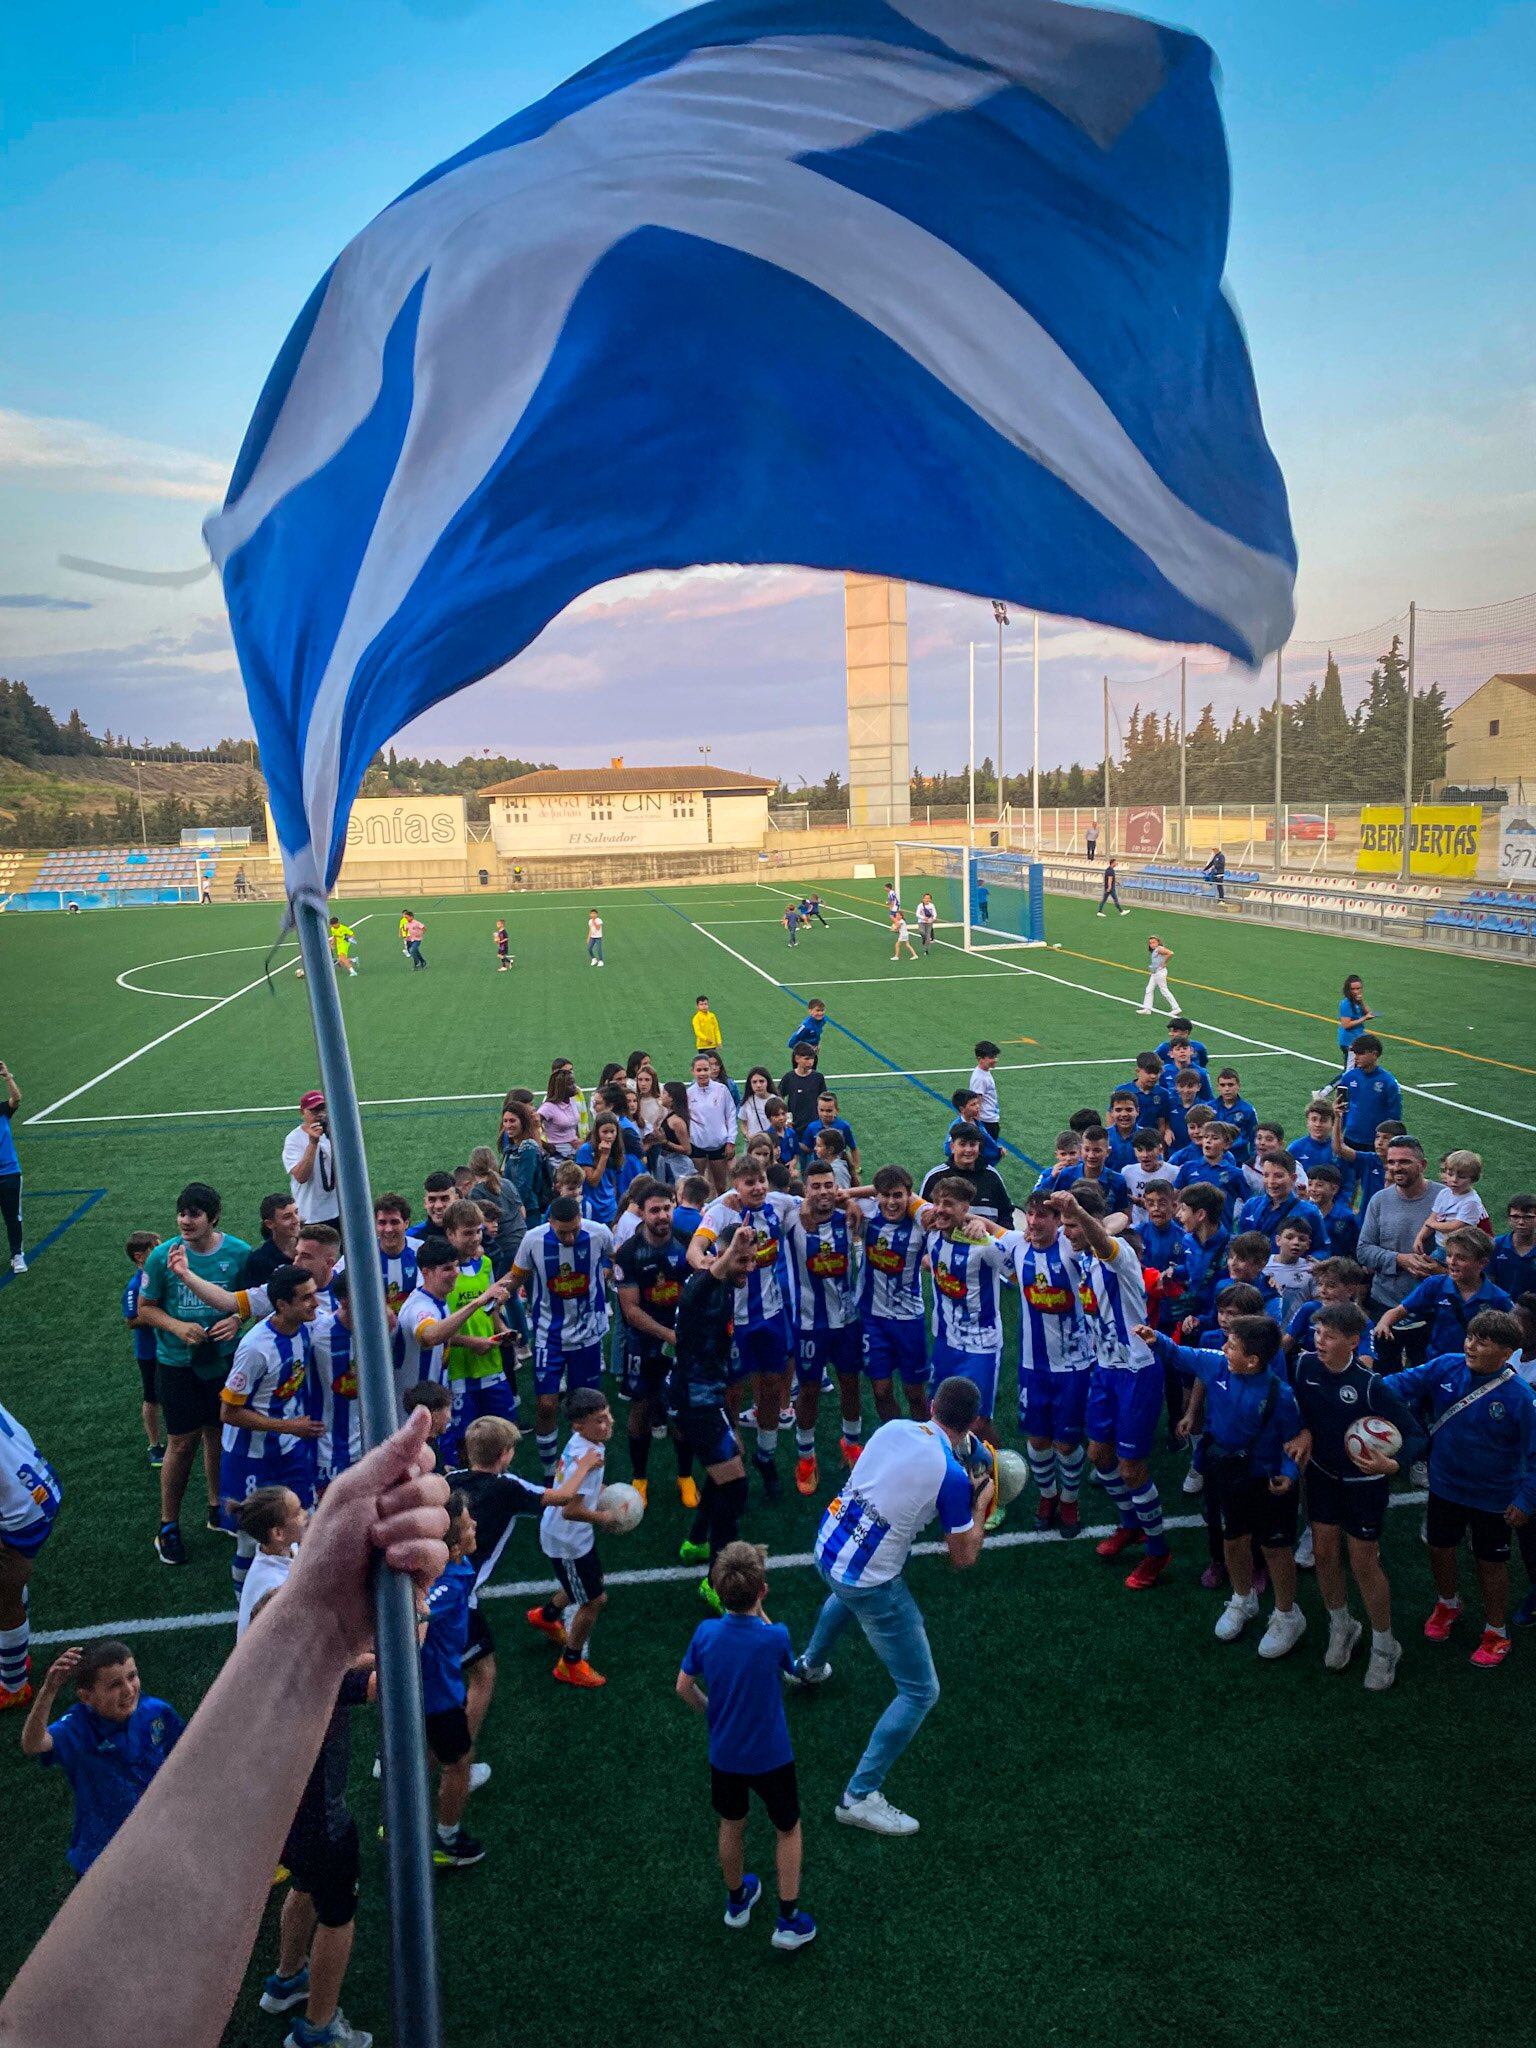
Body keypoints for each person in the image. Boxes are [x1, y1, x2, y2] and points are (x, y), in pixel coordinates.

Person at [0, 1407, 449, 2048]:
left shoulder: (163, 1708)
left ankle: (286, 1978)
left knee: (294, 1892)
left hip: (265, 1816)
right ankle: (318, 2025)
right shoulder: (82, 1727)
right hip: (305, 1813)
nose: (129, 1690)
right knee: (335, 1909)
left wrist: (322, 1619)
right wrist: (399, 1630)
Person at [785, 1375, 992, 1837]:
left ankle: (807, 1666)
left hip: (828, 1547)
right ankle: (859, 1797)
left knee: (844, 1592)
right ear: (974, 1421)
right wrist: (980, 1508)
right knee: (921, 1691)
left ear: (933, 1403)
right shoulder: (954, 1478)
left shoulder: (894, 1427)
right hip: (869, 1580)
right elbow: (962, 1559)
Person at [676, 1542, 816, 1950]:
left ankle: (737, 1902)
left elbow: (684, 1686)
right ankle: (788, 1920)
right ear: (763, 1591)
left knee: (731, 1825)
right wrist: (761, 1610)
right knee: (788, 1829)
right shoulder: (776, 1636)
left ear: (717, 1591)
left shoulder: (706, 1633)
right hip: (772, 1757)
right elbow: (791, 1666)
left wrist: (710, 1711)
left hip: (726, 1755)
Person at [1382, 1310, 1536, 1668]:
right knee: (1440, 1548)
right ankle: (1447, 1603)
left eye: (1483, 1341)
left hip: (1494, 1497)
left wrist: (1527, 1499)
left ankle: (1496, 1629)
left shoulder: (1520, 1397)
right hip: (1445, 1486)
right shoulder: (1447, 1366)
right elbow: (1397, 1384)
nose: (1471, 1345)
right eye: (1470, 1337)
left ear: (1507, 1351)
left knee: (1491, 1562)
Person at [1145, 1314, 1305, 1656]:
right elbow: (1176, 1353)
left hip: (1266, 1480)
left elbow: (1293, 1442)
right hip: (1228, 1475)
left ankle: (1287, 1614)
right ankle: (1242, 1599)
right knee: (1233, 1540)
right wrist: (1152, 1336)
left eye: (1231, 1346)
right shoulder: (1216, 1366)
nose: (1223, 1348)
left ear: (1252, 1360)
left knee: (1276, 1549)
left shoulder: (1281, 1395)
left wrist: (1289, 1474)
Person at [1286, 1302, 1424, 1690]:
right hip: (1322, 1476)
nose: (1319, 1342)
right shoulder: (1303, 1366)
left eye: (1329, 1336)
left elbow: (1415, 1435)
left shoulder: (1370, 1385)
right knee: (1325, 1553)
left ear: (1352, 1341)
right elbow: (1288, 1404)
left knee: (1364, 1562)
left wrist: (1394, 1467)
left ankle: (1385, 1644)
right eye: (1316, 1334)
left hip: (1365, 1485)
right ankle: (1342, 1624)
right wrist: (1301, 1429)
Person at [1053, 1186, 1171, 1589]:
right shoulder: (1082, 1254)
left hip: (1137, 1371)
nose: (1067, 1232)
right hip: (1105, 1369)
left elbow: (1105, 1235)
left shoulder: (1119, 1254)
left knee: (1131, 1467)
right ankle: (1130, 1525)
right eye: (1065, 1225)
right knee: (1098, 1454)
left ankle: (1158, 1551)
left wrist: (1082, 1216)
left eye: (1072, 1224)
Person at [136, 1182, 251, 1567]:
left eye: (194, 1214)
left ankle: (217, 1507)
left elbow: (254, 1300)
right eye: (182, 1213)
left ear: (213, 1217)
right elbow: (145, 1309)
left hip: (223, 1362)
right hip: (177, 1366)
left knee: (219, 1433)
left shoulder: (238, 1253)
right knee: (181, 1444)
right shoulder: (162, 1257)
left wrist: (236, 1319)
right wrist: (176, 1327)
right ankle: (167, 1525)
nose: (186, 1221)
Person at [21, 1641, 183, 1872]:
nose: (129, 1690)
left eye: (132, 1676)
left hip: (158, 1837)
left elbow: (186, 1757)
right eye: (115, 1684)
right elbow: (33, 1744)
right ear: (86, 1697)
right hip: (102, 1853)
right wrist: (49, 1690)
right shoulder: (77, 1727)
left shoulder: (157, 1711)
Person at [218, 1265, 327, 1598]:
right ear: (282, 1305)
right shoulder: (255, 1349)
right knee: (252, 1538)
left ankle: (301, 1596)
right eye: (306, 1297)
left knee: (304, 1524)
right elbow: (229, 1412)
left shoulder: (308, 1328)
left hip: (291, 1449)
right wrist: (288, 1426)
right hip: (249, 1456)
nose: (316, 1303)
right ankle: (246, 1606)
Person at [673, 1224, 759, 1597]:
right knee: (736, 1487)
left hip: (707, 1397)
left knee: (725, 1469)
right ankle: (715, 1581)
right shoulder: (701, 1286)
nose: (748, 1267)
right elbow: (706, 1282)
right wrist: (730, 1256)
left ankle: (695, 1540)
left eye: (753, 1260)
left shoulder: (723, 1287)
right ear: (720, 1257)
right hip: (695, 1402)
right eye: (742, 1260)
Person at [509, 1198, 613, 1479]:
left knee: (588, 1407)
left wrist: (609, 1276)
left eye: (575, 1230)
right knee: (546, 1404)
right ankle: (548, 1473)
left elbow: (616, 1260)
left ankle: (586, 1467)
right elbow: (515, 1277)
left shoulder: (600, 1233)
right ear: (550, 1222)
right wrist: (493, 1296)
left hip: (588, 1336)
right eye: (562, 1232)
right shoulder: (533, 1240)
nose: (569, 1237)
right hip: (548, 1336)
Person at [1010, 1193, 1092, 1536]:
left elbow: (1114, 1224)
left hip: (1073, 1366)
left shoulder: (1072, 1250)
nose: (1033, 1221)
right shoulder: (1016, 1247)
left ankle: (1070, 1501)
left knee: (1066, 1444)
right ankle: (1048, 1497)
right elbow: (986, 1230)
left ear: (1058, 1220)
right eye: (1030, 1214)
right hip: (1032, 1365)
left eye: (1042, 1215)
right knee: (1038, 1439)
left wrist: (1080, 1213)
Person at [529, 1389, 623, 1685]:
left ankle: (546, 1616)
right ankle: (570, 1663)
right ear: (578, 1426)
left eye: (608, 1416)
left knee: (582, 1586)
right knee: (594, 1600)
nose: (608, 1424)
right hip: (568, 1540)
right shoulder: (589, 1454)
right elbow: (571, 1510)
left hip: (567, 1536)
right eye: (599, 1420)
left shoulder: (586, 1444)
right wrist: (604, 1518)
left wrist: (605, 1492)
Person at [418, 1492, 490, 1865]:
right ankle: (446, 1840)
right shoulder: (446, 1584)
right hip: (437, 1695)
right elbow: (419, 1615)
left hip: (436, 1687)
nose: (474, 1526)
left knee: (425, 1755)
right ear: (450, 1539)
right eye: (467, 1524)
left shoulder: (453, 1568)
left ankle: (397, 1822)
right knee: (458, 1762)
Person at [615, 1184, 698, 1506]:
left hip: (680, 1341)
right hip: (643, 1343)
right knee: (641, 1408)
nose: (662, 1215)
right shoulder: (629, 1252)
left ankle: (685, 1476)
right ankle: (639, 1478)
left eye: (667, 1208)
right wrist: (669, 1336)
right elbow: (631, 1310)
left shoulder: (686, 1244)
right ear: (642, 1211)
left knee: (682, 1410)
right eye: (655, 1210)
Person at [0, 1397, 62, 1711]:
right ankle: (16, 1656)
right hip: (36, 1484)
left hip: (20, 1511)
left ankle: (13, 1687)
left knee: (3, 1594)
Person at [1375, 1229, 1512, 1360]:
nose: (1452, 1262)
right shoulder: (1435, 1285)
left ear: (1482, 1263)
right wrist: (1384, 1323)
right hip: (1437, 1364)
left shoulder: (1498, 1299)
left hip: (1475, 1366)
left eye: (1461, 1258)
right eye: (1449, 1255)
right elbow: (1399, 1311)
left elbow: (1511, 1338)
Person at [1356, 1138, 1440, 1325]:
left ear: (1423, 1165)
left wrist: (1439, 1269)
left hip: (1431, 1304)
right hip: (1384, 1302)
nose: (1396, 1167)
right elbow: (1363, 1251)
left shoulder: (1445, 1199)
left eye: (1404, 1161)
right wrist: (1400, 1259)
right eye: (1391, 1162)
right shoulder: (1379, 1200)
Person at [236, 1485, 307, 1637]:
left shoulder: (289, 1548)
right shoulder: (273, 1585)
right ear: (278, 1533)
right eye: (298, 1513)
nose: (305, 1514)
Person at [122, 1230, 166, 1468]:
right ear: (140, 1257)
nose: (161, 1252)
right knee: (152, 1398)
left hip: (169, 1348)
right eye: (155, 1248)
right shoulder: (135, 1286)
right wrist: (158, 1315)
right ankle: (154, 1444)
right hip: (150, 1352)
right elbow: (131, 1320)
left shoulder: (161, 1276)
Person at [283, 1091, 339, 1232]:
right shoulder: (293, 1139)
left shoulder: (336, 1133)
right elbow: (301, 1176)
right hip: (310, 1215)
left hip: (340, 1211)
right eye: (314, 1110)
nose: (320, 1114)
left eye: (322, 1109)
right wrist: (313, 1143)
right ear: (303, 1112)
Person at [686, 1052, 738, 1197]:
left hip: (718, 1144)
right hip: (697, 1145)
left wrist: (730, 1140)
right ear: (693, 1071)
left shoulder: (721, 1090)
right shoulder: (689, 1093)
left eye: (705, 1069)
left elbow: (731, 1114)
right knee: (697, 1186)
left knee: (721, 1186)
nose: (703, 1073)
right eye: (699, 1070)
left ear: (710, 1070)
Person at [0, 1057, 24, 1272]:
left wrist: (7, 1077)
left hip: (9, 1173)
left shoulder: (2, 1111)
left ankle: (17, 1254)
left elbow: (16, 1098)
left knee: (12, 1217)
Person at [1336, 974, 1375, 1066]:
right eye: (1353, 989)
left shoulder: (1357, 1001)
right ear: (1348, 989)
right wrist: (1364, 1018)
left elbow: (1370, 1013)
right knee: (1349, 1071)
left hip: (1357, 1039)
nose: (1356, 991)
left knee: (1357, 1068)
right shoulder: (1346, 1004)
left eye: (1358, 988)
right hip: (1349, 1041)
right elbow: (1346, 1025)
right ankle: (1333, 1082)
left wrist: (1361, 1001)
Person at [969, 1041, 1001, 1139]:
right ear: (980, 1059)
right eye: (991, 1057)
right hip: (986, 1121)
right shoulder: (980, 1078)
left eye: (995, 1056)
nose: (995, 1060)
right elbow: (976, 1102)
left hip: (990, 1119)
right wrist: (977, 1125)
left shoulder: (984, 1072)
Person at [1139, 934, 1177, 1015]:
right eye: (1150, 943)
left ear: (1158, 942)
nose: (1152, 944)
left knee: (1164, 990)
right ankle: (1147, 1009)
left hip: (1159, 973)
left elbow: (1170, 953)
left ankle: (1176, 1008)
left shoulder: (1159, 949)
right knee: (1149, 989)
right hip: (1155, 972)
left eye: (1153, 942)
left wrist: (1164, 963)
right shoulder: (1156, 950)